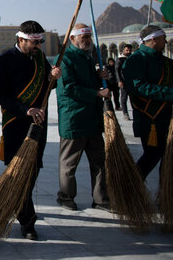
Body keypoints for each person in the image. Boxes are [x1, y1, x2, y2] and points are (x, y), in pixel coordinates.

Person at [0, 20, 61, 240]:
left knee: (33, 170)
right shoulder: (4, 60)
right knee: (17, 172)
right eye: (34, 41)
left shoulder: (40, 59)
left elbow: (49, 86)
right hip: (15, 123)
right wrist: (24, 109)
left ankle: (19, 208)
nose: (38, 45)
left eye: (40, 41)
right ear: (21, 39)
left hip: (37, 123)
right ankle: (28, 221)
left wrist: (54, 77)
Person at [55, 24, 110, 212]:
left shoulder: (87, 57)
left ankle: (101, 199)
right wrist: (96, 93)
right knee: (69, 164)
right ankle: (66, 196)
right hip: (74, 119)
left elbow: (89, 82)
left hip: (92, 119)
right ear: (72, 39)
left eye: (89, 36)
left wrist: (99, 76)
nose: (87, 40)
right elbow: (69, 88)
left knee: (99, 163)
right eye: (83, 36)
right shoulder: (65, 59)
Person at [122, 25, 173, 179]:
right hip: (149, 118)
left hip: (166, 115)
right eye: (163, 39)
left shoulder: (166, 62)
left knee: (168, 157)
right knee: (152, 155)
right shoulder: (135, 60)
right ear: (153, 39)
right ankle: (132, 185)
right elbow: (139, 87)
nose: (165, 42)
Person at [116, 44, 133, 120]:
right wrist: (119, 81)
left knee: (133, 98)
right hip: (124, 81)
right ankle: (125, 113)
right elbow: (117, 71)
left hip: (132, 82)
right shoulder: (120, 59)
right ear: (123, 50)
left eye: (129, 50)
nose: (128, 52)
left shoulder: (132, 58)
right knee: (124, 98)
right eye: (127, 50)